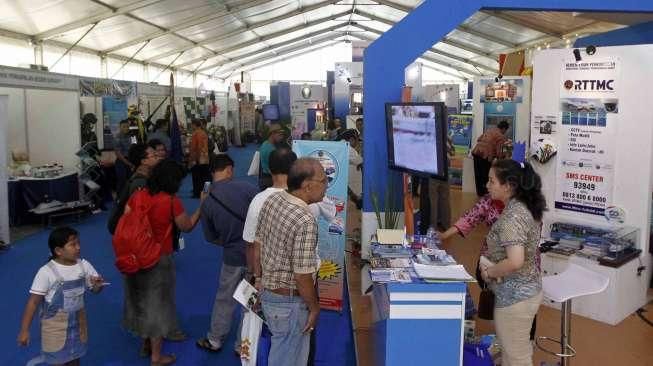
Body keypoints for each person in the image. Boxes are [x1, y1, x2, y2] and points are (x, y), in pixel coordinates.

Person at [122, 159, 204, 366]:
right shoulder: (170, 201)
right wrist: (201, 206)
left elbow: (125, 223)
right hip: (158, 258)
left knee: (140, 300)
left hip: (134, 257)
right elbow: (186, 226)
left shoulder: (138, 195)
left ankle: (145, 342)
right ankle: (157, 357)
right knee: (158, 306)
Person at [255, 158, 325, 366]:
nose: (326, 185)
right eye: (323, 180)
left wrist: (258, 278)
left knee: (280, 352)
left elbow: (258, 244)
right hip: (290, 304)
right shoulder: (305, 219)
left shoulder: (273, 200)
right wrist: (314, 308)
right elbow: (302, 275)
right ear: (307, 185)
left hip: (269, 294)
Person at [480, 159, 545, 366]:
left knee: (516, 358)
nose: (487, 185)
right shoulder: (523, 207)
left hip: (515, 299)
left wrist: (489, 272)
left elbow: (515, 261)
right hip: (524, 292)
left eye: (491, 181)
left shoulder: (512, 217)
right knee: (513, 353)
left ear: (508, 185)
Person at [196, 155, 258, 353]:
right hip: (255, 256)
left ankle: (215, 339)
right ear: (229, 169)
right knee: (251, 299)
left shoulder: (207, 202)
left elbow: (210, 237)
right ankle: (243, 344)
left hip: (231, 256)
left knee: (225, 298)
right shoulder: (247, 188)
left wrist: (228, 242)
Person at [18, 227, 105, 366]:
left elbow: (95, 290)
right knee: (57, 361)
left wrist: (98, 286)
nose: (78, 247)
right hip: (54, 328)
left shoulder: (84, 266)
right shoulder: (46, 272)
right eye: (73, 244)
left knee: (75, 359)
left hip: (78, 325)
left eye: (78, 243)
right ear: (58, 251)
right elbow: (33, 302)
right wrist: (24, 331)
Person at [471, 120, 510, 196]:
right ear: (504, 128)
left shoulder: (490, 130)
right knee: (485, 175)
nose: (505, 132)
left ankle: (480, 193)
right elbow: (499, 152)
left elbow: (479, 139)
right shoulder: (501, 136)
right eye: (506, 130)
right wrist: (503, 158)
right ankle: (485, 194)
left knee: (478, 175)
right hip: (485, 155)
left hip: (477, 152)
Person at [428, 135, 456, 230]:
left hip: (433, 170)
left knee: (433, 200)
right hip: (445, 171)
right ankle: (446, 224)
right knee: (445, 199)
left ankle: (433, 226)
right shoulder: (448, 137)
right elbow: (453, 153)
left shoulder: (431, 136)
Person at [336, 129, 363, 209]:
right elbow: (359, 161)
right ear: (351, 139)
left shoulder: (339, 145)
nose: (357, 143)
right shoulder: (347, 147)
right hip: (343, 181)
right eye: (357, 141)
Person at [258, 123, 284, 190]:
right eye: (279, 135)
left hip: (264, 178)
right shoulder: (270, 150)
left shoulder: (266, 143)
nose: (281, 137)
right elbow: (273, 170)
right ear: (273, 134)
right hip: (269, 180)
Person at [190, 118, 211, 198]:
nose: (191, 126)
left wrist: (194, 160)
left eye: (192, 125)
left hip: (198, 158)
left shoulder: (195, 133)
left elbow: (196, 147)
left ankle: (197, 193)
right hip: (205, 158)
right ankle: (206, 191)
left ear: (194, 125)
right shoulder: (203, 133)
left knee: (196, 177)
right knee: (206, 176)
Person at [114, 119, 135, 194]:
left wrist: (134, 162)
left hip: (131, 160)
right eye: (124, 127)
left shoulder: (132, 136)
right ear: (120, 127)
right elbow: (119, 154)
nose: (126, 128)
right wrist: (129, 164)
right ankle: (119, 199)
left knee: (131, 180)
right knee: (122, 181)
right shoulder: (117, 137)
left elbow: (135, 147)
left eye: (127, 126)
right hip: (121, 161)